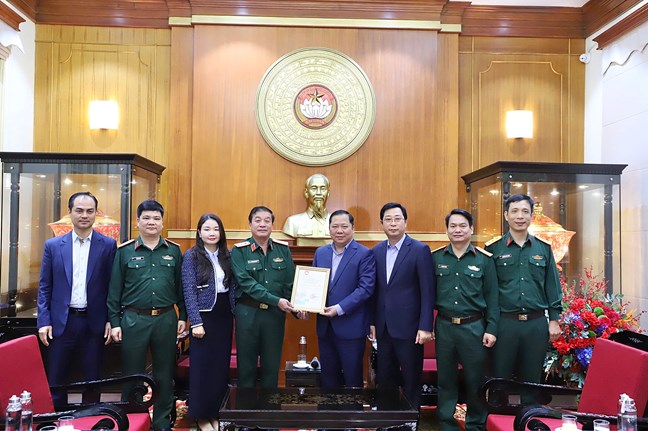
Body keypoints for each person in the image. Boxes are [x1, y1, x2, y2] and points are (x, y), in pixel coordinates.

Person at [108, 199, 187, 431]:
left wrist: (183, 316)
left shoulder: (173, 251)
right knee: (133, 374)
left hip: (166, 319)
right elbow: (114, 291)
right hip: (134, 319)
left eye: (156, 218)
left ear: (162, 222)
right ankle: (134, 420)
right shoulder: (124, 251)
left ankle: (162, 422)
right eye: (146, 218)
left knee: (165, 373)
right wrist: (115, 322)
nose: (151, 222)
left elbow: (181, 287)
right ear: (138, 221)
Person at [37, 192, 117, 407]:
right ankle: (56, 419)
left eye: (90, 211)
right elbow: (45, 286)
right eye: (79, 210)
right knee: (57, 378)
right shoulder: (53, 245)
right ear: (70, 212)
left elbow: (112, 286)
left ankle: (90, 418)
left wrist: (111, 319)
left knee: (93, 379)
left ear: (96, 214)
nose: (84, 215)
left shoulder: (108, 245)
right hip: (61, 322)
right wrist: (44, 321)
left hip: (94, 322)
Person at [485, 194, 562, 404]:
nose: (520, 216)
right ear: (506, 215)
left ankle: (529, 417)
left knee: (532, 380)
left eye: (525, 211)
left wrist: (554, 319)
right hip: (504, 322)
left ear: (531, 216)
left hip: (535, 324)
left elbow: (552, 286)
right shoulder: (493, 249)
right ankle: (496, 416)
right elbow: (488, 290)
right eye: (515, 211)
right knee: (499, 378)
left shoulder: (543, 248)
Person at [432, 209, 499, 431]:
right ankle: (446, 423)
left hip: (474, 327)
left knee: (475, 380)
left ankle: (476, 424)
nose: (457, 230)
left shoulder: (484, 260)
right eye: (453, 226)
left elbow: (493, 297)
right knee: (445, 380)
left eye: (462, 226)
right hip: (444, 327)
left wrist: (492, 328)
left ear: (471, 229)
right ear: (447, 230)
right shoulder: (436, 258)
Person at [370, 202, 435, 408]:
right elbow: (374, 291)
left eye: (397, 219)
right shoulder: (376, 251)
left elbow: (428, 291)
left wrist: (425, 326)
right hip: (383, 327)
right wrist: (372, 322)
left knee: (411, 379)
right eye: (388, 219)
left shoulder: (419, 249)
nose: (393, 223)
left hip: (410, 328)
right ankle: (386, 418)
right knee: (385, 378)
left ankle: (410, 420)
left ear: (405, 222)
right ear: (381, 224)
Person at [231, 206, 298, 388]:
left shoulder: (283, 250)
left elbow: (290, 284)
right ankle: (246, 405)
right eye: (258, 220)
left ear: (272, 225)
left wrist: (298, 308)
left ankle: (269, 406)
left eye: (267, 221)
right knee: (246, 368)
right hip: (248, 313)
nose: (262, 224)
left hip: (274, 315)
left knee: (271, 367)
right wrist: (277, 301)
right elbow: (247, 284)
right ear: (250, 224)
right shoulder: (239, 251)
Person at [181, 214, 236, 431]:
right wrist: (195, 322)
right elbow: (188, 291)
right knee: (202, 367)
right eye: (207, 229)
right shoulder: (191, 256)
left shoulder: (227, 255)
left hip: (224, 315)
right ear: (199, 232)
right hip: (203, 316)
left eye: (216, 229)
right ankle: (201, 416)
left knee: (219, 368)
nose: (212, 233)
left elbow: (233, 287)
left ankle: (216, 412)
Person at [312, 209, 376, 388]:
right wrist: (307, 305)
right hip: (325, 328)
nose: (339, 230)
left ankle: (352, 408)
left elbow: (365, 288)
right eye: (335, 226)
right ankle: (329, 407)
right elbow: (314, 285)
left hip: (351, 327)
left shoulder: (364, 253)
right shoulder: (320, 253)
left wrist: (339, 308)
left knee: (352, 380)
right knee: (328, 379)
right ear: (329, 229)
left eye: (344, 226)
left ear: (353, 228)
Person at [282, 173, 331, 239]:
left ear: (328, 193)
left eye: (323, 189)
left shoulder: (337, 223)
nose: (318, 193)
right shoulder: (292, 222)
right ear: (306, 193)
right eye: (314, 188)